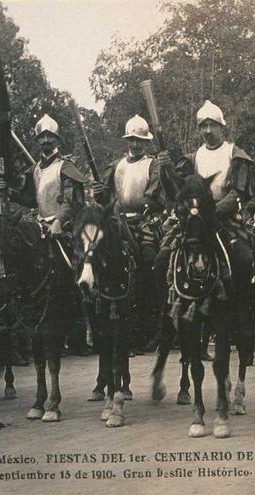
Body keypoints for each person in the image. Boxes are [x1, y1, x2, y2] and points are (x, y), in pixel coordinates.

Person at [153, 100, 255, 357]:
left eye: (212, 124)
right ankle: (167, 317)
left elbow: (237, 192)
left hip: (225, 221)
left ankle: (242, 313)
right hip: (194, 223)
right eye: (203, 126)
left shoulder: (235, 154)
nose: (207, 130)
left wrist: (211, 213)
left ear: (222, 127)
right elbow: (177, 194)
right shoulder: (192, 158)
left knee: (244, 258)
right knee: (161, 259)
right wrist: (166, 169)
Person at [0, 113, 89, 355]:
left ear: (57, 139)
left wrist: (59, 221)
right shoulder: (35, 170)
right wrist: (10, 193)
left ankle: (82, 324)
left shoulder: (66, 167)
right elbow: (30, 199)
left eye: (50, 136)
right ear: (37, 141)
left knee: (74, 267)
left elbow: (71, 201)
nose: (46, 140)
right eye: (42, 137)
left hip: (64, 227)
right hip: (39, 225)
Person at [91, 115, 165, 355]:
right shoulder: (116, 166)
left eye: (140, 141)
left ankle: (151, 327)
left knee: (150, 262)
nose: (135, 145)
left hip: (144, 222)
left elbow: (154, 194)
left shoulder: (153, 164)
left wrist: (147, 206)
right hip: (118, 221)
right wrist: (100, 193)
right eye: (132, 140)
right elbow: (107, 196)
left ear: (146, 142)